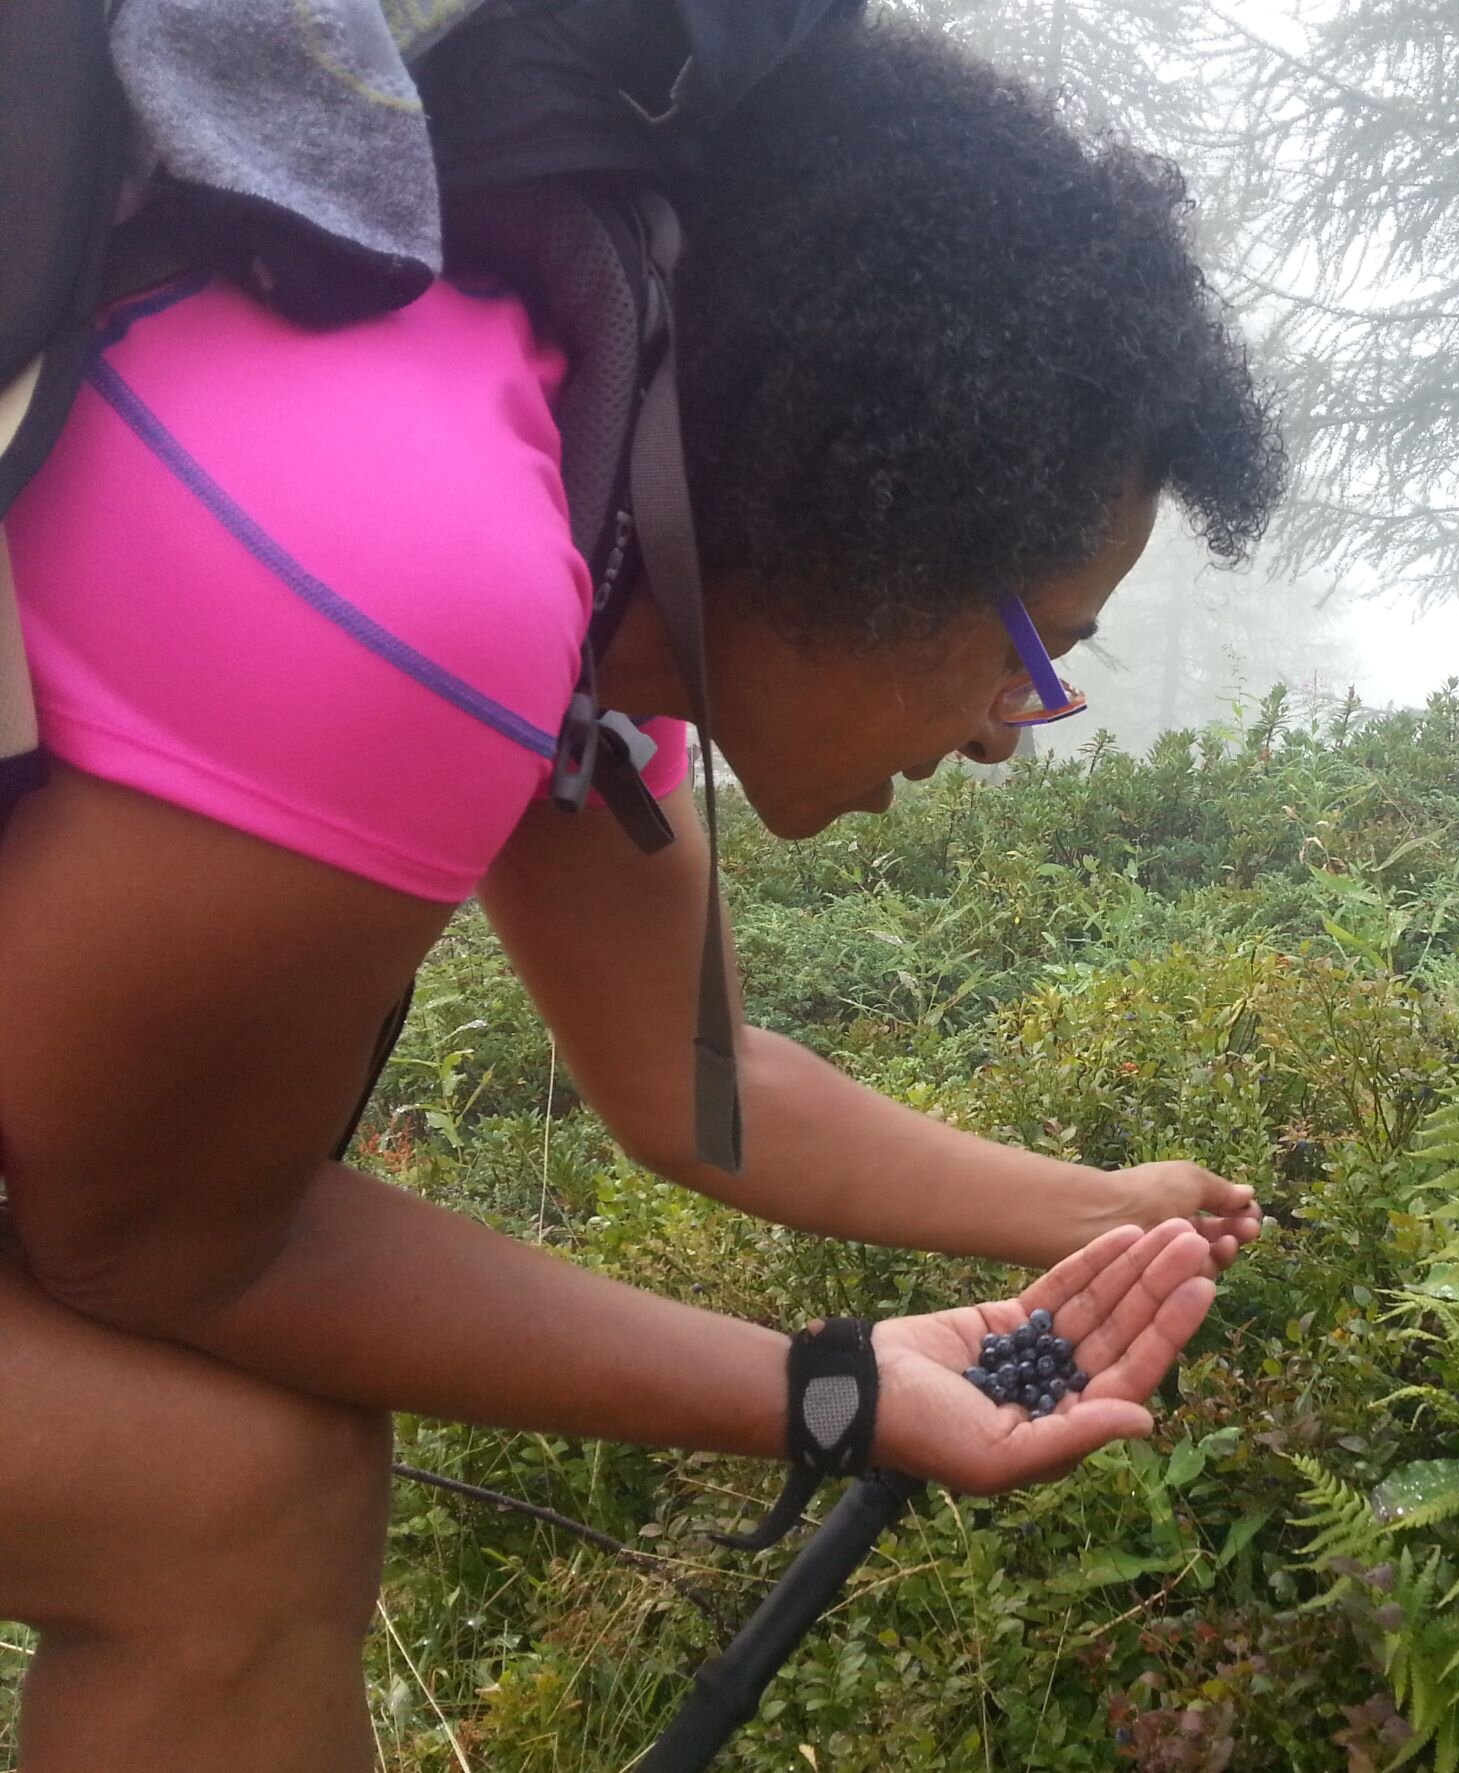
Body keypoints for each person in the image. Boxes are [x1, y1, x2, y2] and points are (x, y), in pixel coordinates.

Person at [0, 16, 1284, 1771]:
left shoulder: (568, 490)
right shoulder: (432, 585)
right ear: (887, 498)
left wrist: (1098, 1204)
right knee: (223, 1499)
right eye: (1031, 653)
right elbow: (153, 1242)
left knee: (245, 1488)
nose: (1012, 735)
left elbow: (709, 1086)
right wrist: (837, 1394)